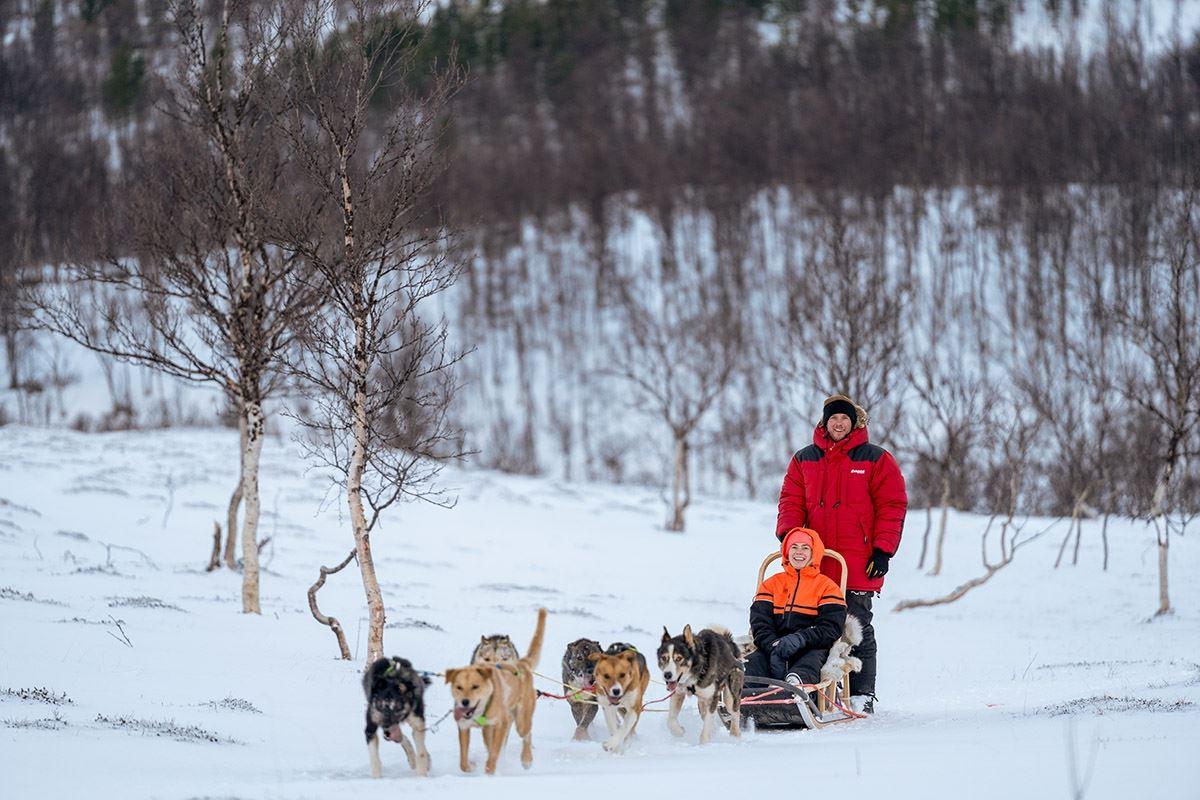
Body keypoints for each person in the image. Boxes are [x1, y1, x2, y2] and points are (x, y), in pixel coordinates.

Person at [776, 394, 907, 713]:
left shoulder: (876, 458)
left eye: (844, 419)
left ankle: (862, 694)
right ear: (824, 422)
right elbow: (791, 500)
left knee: (856, 626)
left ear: (854, 422)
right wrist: (789, 535)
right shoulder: (804, 458)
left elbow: (893, 505)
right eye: (833, 418)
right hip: (815, 562)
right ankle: (816, 689)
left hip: (860, 562)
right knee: (811, 628)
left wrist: (883, 549)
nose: (838, 423)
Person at [746, 527, 846, 686]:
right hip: (773, 646)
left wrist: (800, 639)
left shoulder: (827, 587)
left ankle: (796, 687)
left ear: (814, 553)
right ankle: (745, 694)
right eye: (794, 547)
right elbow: (760, 622)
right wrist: (772, 645)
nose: (799, 552)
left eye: (805, 548)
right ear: (786, 551)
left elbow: (831, 628)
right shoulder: (771, 584)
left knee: (808, 665)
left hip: (811, 648)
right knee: (752, 664)